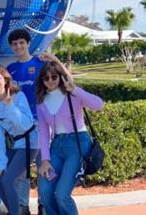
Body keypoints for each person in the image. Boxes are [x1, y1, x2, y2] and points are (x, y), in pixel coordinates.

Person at [6, 29, 71, 215]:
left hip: (41, 123)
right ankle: (23, 205)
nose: (18, 46)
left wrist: (55, 59)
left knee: (45, 166)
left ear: (28, 43)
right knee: (21, 170)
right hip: (19, 126)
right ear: (11, 47)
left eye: (21, 43)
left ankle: (44, 203)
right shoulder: (10, 69)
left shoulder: (40, 63)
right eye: (15, 44)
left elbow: (65, 79)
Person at [36, 62, 103, 215]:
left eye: (54, 76)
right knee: (45, 191)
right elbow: (44, 133)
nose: (50, 80)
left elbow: (98, 104)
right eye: (46, 78)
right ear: (42, 80)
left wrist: (76, 89)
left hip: (78, 144)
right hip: (56, 146)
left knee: (62, 194)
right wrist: (44, 159)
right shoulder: (41, 102)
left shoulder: (72, 95)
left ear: (61, 77)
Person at [0, 65, 39, 215]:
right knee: (0, 182)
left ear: (6, 80)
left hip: (29, 143)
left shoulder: (18, 96)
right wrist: (1, 162)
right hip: (12, 145)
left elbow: (26, 125)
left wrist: (10, 108)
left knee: (8, 181)